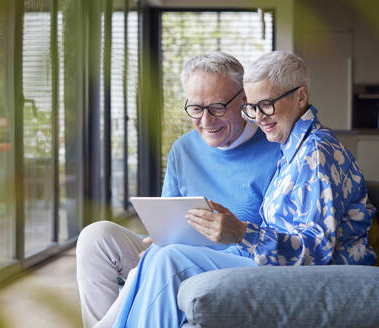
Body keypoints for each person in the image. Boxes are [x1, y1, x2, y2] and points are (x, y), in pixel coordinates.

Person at [112, 50, 376, 327]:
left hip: (312, 279)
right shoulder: (291, 150)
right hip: (276, 266)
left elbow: (317, 253)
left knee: (169, 260)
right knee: (159, 254)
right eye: (252, 107)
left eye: (267, 105)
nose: (258, 117)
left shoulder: (316, 153)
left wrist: (240, 232)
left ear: (301, 97)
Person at [76, 51, 281, 328]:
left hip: (232, 262)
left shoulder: (275, 151)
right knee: (95, 237)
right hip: (172, 251)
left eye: (217, 107)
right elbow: (167, 221)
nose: (206, 121)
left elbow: (276, 242)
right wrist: (156, 237)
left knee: (161, 258)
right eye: (196, 109)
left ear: (243, 99)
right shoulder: (183, 149)